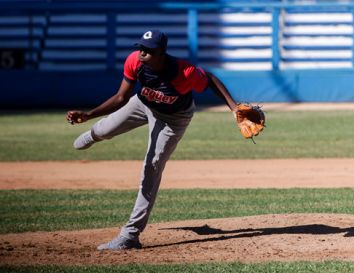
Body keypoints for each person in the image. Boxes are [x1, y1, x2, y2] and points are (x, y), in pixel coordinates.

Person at [66, 30, 238, 250]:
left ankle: (129, 235)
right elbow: (121, 97)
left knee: (152, 167)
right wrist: (89, 114)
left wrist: (234, 108)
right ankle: (93, 134)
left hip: (174, 119)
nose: (142, 53)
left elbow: (211, 79)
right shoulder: (134, 61)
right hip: (143, 104)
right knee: (106, 128)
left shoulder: (183, 72)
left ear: (161, 53)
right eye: (141, 47)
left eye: (148, 50)